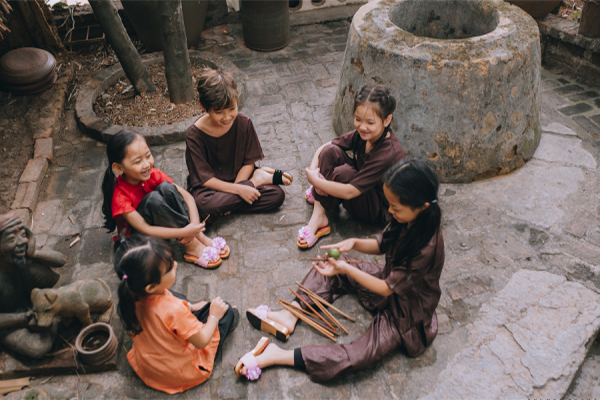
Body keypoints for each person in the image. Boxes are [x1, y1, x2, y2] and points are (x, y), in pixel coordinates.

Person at [237, 158, 444, 382]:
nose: (390, 210)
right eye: (390, 204)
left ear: (422, 206)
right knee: (333, 263)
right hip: (388, 280)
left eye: (396, 207)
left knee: (359, 355)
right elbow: (382, 243)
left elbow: (386, 289)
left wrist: (346, 268)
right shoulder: (405, 217)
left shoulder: (427, 246)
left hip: (406, 313)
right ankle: (290, 315)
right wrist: (353, 242)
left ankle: (278, 355)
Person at [114, 235, 239, 394]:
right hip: (182, 370)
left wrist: (191, 307)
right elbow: (201, 341)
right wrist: (214, 316)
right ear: (151, 287)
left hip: (152, 366)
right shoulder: (173, 310)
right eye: (169, 268)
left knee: (179, 298)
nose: (176, 264)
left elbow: (168, 303)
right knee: (226, 311)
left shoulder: (131, 293)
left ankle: (198, 310)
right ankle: (231, 316)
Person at [298, 84, 405, 249]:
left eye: (370, 122)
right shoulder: (365, 134)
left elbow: (350, 192)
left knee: (344, 173)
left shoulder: (386, 153)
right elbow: (326, 146)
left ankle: (320, 206)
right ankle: (320, 208)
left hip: (376, 209)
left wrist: (317, 182)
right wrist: (313, 171)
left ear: (387, 120)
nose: (362, 127)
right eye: (358, 119)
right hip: (361, 185)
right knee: (329, 152)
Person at [101, 130, 229, 269]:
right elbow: (146, 229)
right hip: (141, 241)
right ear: (119, 168)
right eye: (138, 161)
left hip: (163, 227)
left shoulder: (152, 174)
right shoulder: (120, 196)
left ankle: (199, 238)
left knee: (167, 188)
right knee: (152, 200)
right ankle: (191, 244)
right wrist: (186, 232)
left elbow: (187, 197)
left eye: (148, 155)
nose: (146, 164)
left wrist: (195, 228)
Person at [186, 68, 292, 221]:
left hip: (240, 179)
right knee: (202, 206)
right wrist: (241, 190)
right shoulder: (194, 135)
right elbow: (205, 180)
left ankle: (230, 202)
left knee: (276, 195)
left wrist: (237, 190)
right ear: (204, 107)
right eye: (219, 112)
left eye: (232, 108)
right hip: (210, 188)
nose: (227, 117)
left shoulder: (244, 123)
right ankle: (257, 180)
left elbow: (248, 163)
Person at [0, 212, 65, 359]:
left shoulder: (19, 259)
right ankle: (54, 318)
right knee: (38, 348)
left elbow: (61, 260)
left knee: (33, 269)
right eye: (11, 239)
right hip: (11, 321)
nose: (21, 242)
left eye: (23, 235)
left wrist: (33, 253)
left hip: (31, 304)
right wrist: (24, 319)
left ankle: (50, 317)